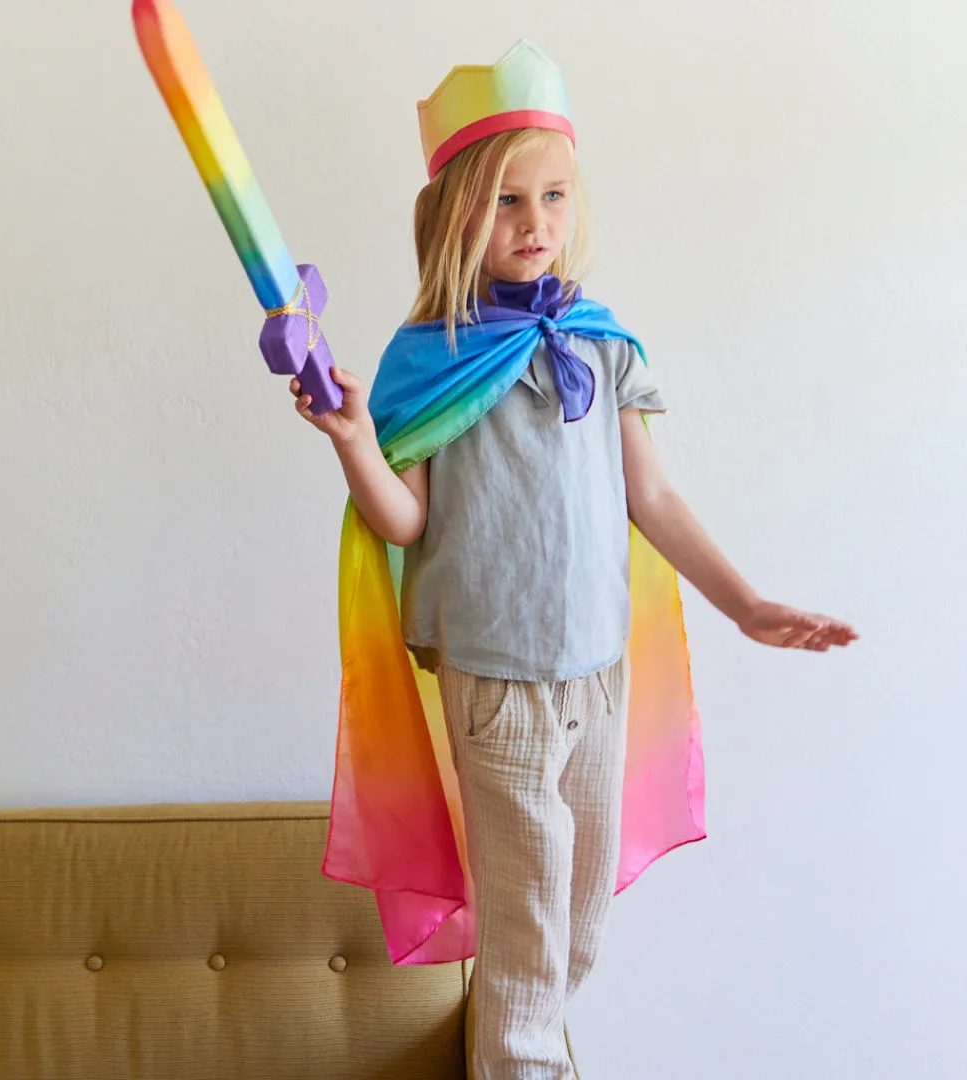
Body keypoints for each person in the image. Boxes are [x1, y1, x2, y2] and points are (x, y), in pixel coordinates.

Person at [290, 40, 858, 1080]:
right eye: (507, 200)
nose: (535, 222)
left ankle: (517, 1052)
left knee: (578, 918)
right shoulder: (430, 355)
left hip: (598, 672)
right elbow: (404, 524)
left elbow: (653, 498)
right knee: (528, 920)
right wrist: (356, 440)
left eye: (553, 196)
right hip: (496, 676)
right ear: (454, 212)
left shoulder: (601, 341)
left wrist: (744, 605)